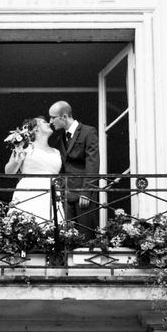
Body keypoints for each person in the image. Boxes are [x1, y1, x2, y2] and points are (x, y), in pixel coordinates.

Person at [48, 101, 100, 239]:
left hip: (83, 194)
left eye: (53, 117)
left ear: (64, 117)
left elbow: (93, 164)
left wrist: (87, 192)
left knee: (86, 235)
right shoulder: (61, 137)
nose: (50, 121)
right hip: (66, 194)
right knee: (68, 238)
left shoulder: (88, 132)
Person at [4, 117, 62, 221]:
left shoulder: (56, 152)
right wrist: (17, 155)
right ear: (35, 129)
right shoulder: (25, 147)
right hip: (29, 192)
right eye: (44, 122)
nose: (49, 123)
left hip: (51, 195)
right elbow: (9, 172)